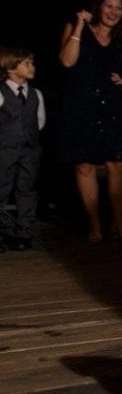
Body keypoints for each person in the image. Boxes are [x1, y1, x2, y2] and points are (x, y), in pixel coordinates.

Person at [58, 0, 122, 243]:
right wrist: (79, 25)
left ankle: (118, 222)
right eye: (109, 6)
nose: (113, 12)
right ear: (99, 8)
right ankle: (95, 224)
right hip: (80, 105)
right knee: (84, 164)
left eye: (118, 8)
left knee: (117, 164)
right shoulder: (76, 29)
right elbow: (66, 62)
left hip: (112, 106)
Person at [0, 48, 45, 251]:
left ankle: (23, 232)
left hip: (29, 150)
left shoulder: (36, 94)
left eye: (32, 63)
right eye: (27, 63)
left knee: (26, 189)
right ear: (11, 68)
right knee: (1, 188)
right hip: (5, 150)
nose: (32, 67)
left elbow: (39, 121)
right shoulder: (1, 93)